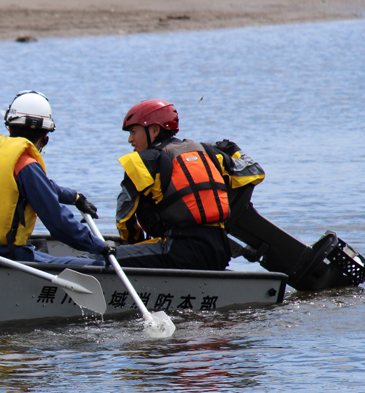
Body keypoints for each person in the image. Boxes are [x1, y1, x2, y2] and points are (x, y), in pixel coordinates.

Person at [114, 99, 265, 270]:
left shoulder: (141, 162)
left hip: (178, 251)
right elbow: (255, 172)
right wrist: (234, 150)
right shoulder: (209, 153)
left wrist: (133, 245)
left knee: (103, 258)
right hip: (219, 251)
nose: (130, 139)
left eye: (133, 132)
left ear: (154, 130)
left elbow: (124, 218)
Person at [0, 90, 105, 265]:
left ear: (10, 127)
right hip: (8, 255)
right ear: (45, 137)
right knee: (97, 263)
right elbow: (59, 225)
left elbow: (43, 187)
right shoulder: (26, 165)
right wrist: (100, 247)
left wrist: (74, 197)